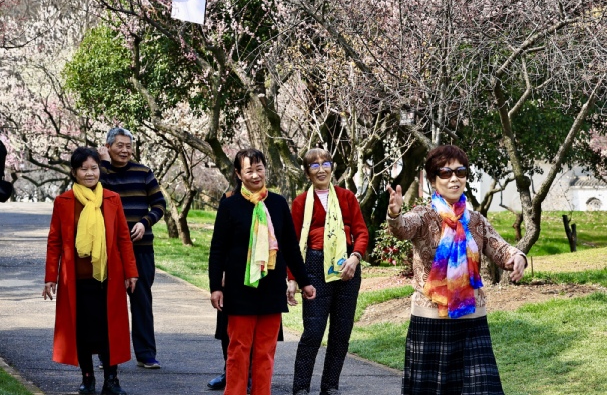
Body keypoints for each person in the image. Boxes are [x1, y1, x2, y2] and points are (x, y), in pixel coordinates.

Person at [387, 144, 527, 395]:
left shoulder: (475, 220)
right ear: (432, 180)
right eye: (445, 173)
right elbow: (403, 228)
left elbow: (499, 248)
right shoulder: (424, 215)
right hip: (430, 319)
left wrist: (518, 257)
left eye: (460, 172)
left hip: (471, 318)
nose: (454, 179)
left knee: (482, 389)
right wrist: (394, 214)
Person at [209, 148, 316, 395]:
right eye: (249, 170)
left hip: (270, 289)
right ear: (238, 173)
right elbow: (218, 249)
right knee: (238, 350)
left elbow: (289, 246)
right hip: (239, 289)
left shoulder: (277, 203)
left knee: (265, 353)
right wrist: (216, 286)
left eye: (259, 169)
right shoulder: (229, 205)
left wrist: (304, 281)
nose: (255, 175)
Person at [44, 147, 140, 395]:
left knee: (110, 331)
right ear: (74, 172)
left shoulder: (111, 199)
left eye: (94, 168)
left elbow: (123, 239)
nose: (90, 173)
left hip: (108, 278)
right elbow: (54, 241)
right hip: (76, 280)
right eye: (84, 169)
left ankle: (111, 380)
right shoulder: (63, 201)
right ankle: (88, 378)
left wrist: (131, 273)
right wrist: (50, 278)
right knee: (82, 332)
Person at [289, 148, 370, 395]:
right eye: (314, 165)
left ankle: (330, 386)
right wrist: (292, 279)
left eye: (326, 163)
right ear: (307, 172)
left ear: (332, 168)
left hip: (347, 267)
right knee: (313, 332)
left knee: (341, 333)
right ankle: (301, 387)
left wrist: (355, 258)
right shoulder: (301, 202)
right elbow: (292, 243)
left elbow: (362, 232)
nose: (321, 169)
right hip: (314, 266)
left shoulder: (347, 197)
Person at [97, 127, 166, 369]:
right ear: (108, 147)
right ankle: (109, 354)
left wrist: (145, 222)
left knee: (142, 301)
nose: (125, 150)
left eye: (128, 146)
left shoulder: (144, 172)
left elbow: (159, 204)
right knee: (109, 302)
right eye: (119, 145)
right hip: (110, 249)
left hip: (141, 247)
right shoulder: (99, 172)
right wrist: (102, 165)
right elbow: (96, 194)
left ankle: (146, 353)